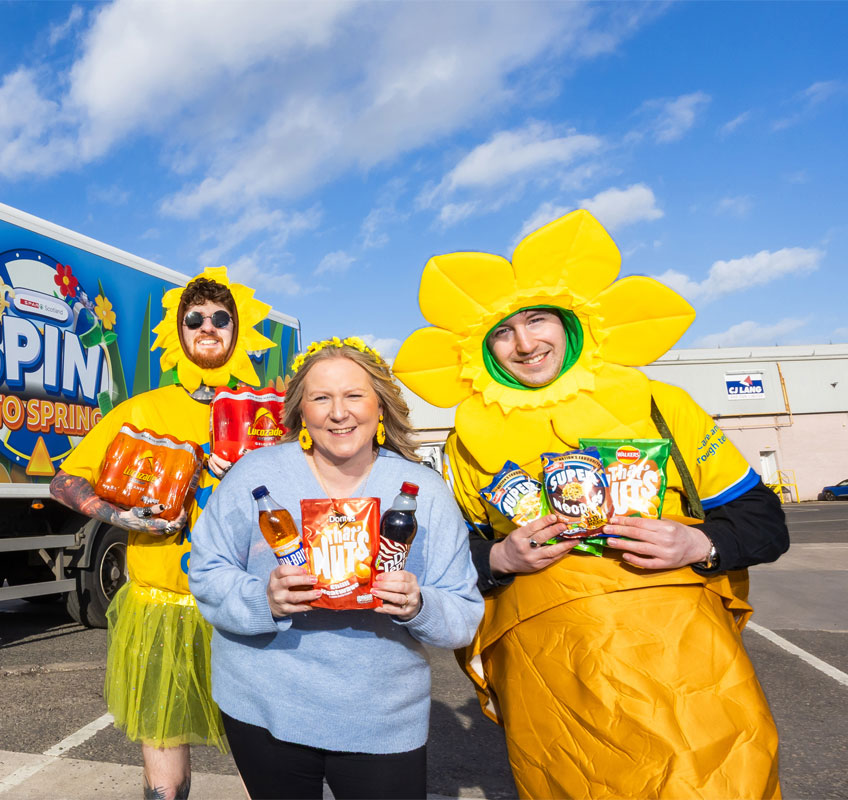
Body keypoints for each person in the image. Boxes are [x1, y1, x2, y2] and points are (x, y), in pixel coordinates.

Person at [393, 209, 789, 799]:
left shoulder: (660, 404)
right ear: (480, 348)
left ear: (571, 322)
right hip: (551, 677)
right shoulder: (465, 444)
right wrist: (499, 558)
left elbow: (764, 522)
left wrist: (700, 542)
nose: (524, 344)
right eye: (503, 331)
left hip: (684, 665)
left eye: (537, 320)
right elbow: (450, 562)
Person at [189, 337, 484, 800]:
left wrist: (418, 605)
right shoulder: (255, 477)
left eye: (354, 395)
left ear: (381, 405)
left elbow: (463, 615)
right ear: (301, 411)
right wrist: (262, 599)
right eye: (320, 397)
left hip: (382, 718)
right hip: (265, 707)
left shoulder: (423, 491)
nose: (338, 412)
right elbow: (206, 573)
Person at [49, 267, 276, 800]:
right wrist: (123, 518)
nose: (208, 327)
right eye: (194, 318)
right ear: (178, 333)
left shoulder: (266, 412)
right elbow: (65, 480)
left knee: (262, 743)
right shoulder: (145, 409)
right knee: (163, 742)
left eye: (222, 319)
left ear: (239, 332)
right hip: (160, 605)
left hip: (245, 601)